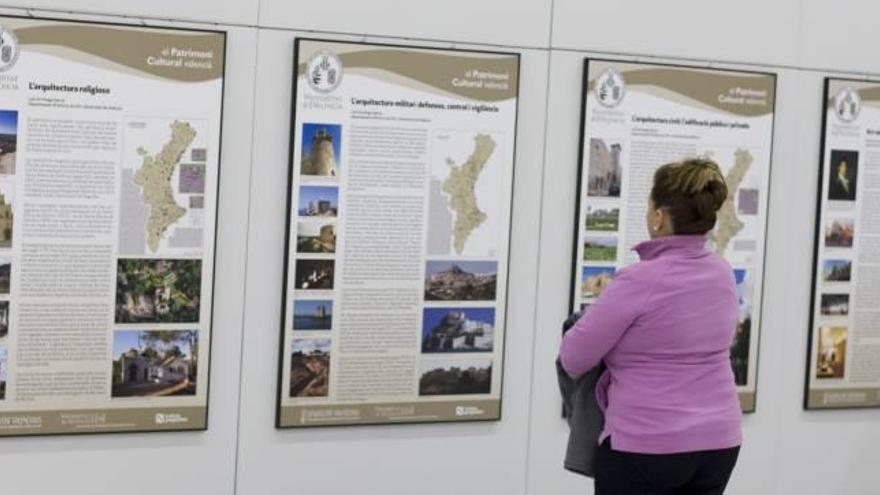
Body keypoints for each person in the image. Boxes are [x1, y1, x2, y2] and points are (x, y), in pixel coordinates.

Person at [560, 158, 741, 494]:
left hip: (648, 444)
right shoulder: (722, 273)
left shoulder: (640, 279)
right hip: (719, 441)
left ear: (658, 217)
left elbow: (573, 356)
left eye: (649, 205)